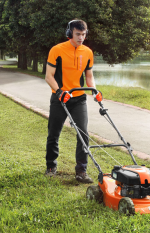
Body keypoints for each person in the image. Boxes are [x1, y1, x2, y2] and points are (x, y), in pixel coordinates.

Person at [44, 19, 96, 183]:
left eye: (84, 34)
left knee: (83, 133)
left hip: (78, 98)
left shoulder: (87, 52)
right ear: (70, 34)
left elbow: (89, 75)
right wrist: (59, 92)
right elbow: (49, 76)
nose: (81, 38)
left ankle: (81, 171)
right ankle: (51, 166)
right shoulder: (57, 50)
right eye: (78, 34)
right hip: (60, 98)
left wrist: (94, 90)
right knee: (54, 133)